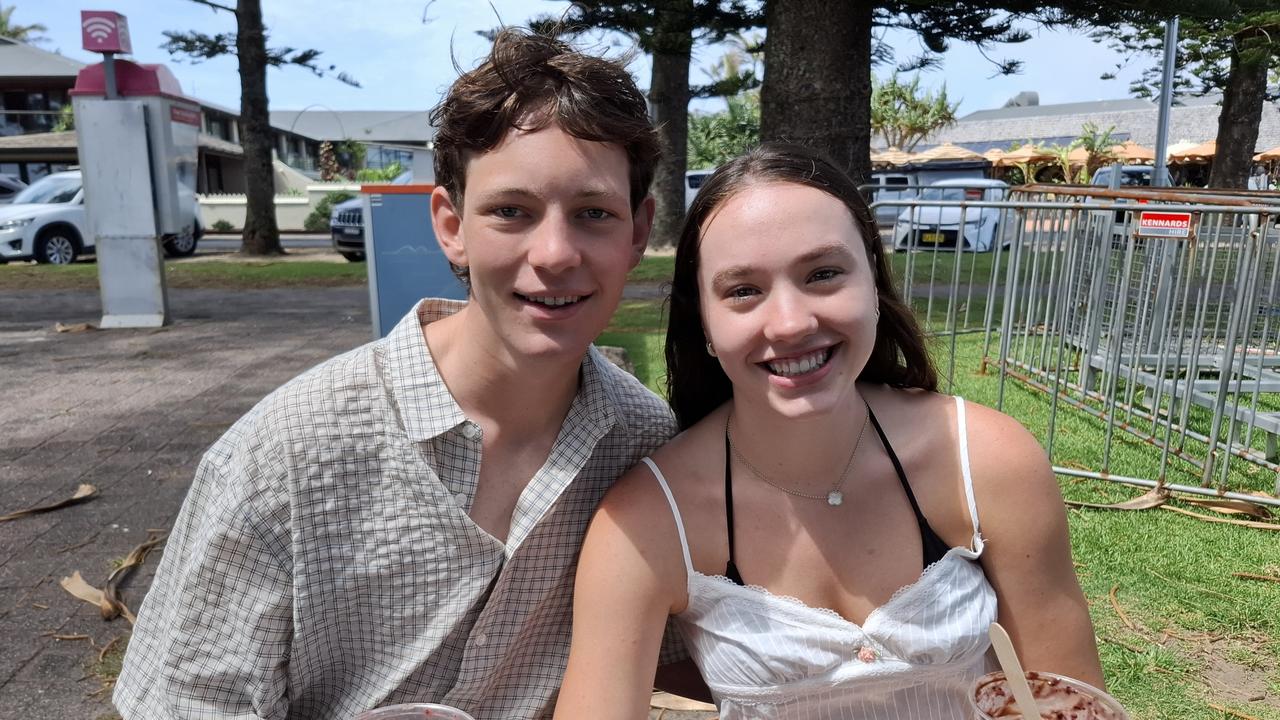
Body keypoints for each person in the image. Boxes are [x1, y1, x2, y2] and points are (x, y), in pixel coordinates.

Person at [114, 29, 681, 720]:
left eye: (593, 213)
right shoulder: (285, 454)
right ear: (451, 225)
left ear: (637, 231)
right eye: (512, 211)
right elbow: (186, 702)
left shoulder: (648, 445)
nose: (555, 253)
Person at [554, 143, 1104, 720]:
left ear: (872, 279)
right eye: (743, 290)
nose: (791, 322)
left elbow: (1069, 701)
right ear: (705, 324)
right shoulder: (648, 520)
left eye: (823, 274)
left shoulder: (988, 459)